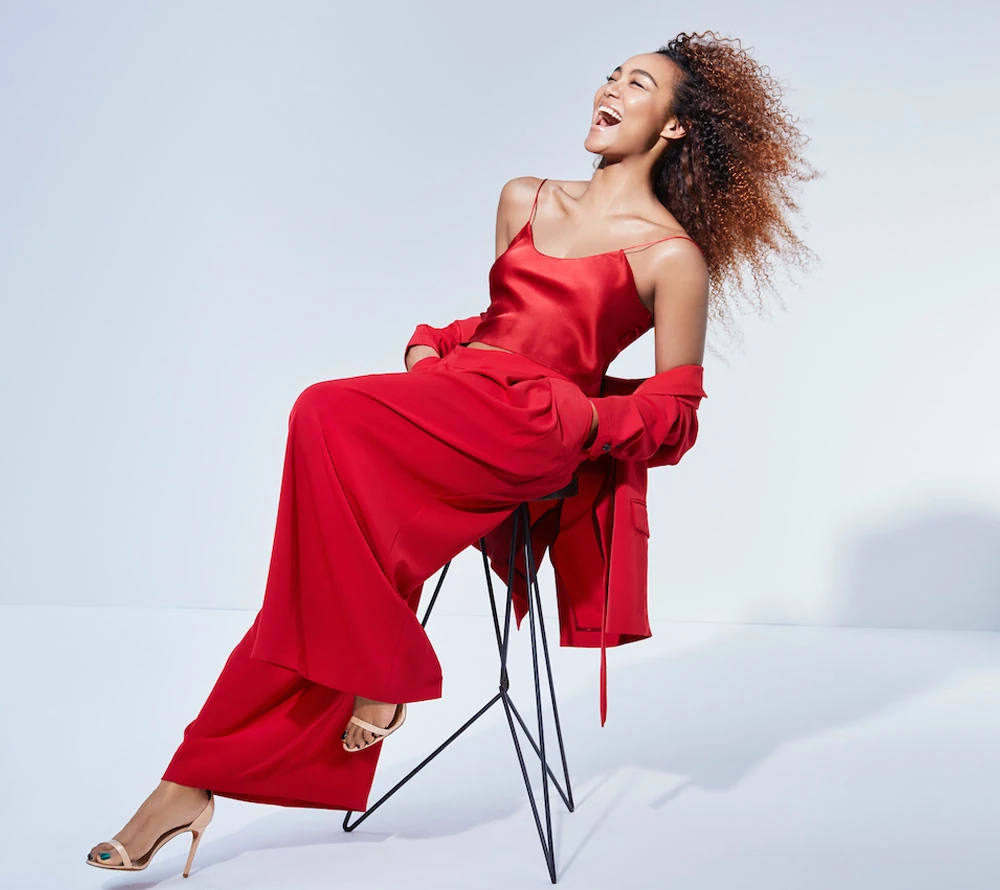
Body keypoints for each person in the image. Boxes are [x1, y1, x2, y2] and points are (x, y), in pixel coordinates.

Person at [87, 32, 820, 876]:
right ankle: (195, 779)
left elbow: (676, 414)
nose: (611, 89)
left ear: (675, 127)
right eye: (611, 75)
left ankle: (371, 674)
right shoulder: (524, 197)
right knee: (322, 549)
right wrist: (438, 346)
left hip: (535, 433)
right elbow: (507, 321)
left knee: (324, 410)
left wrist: (581, 419)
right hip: (464, 398)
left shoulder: (672, 256)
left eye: (639, 84)